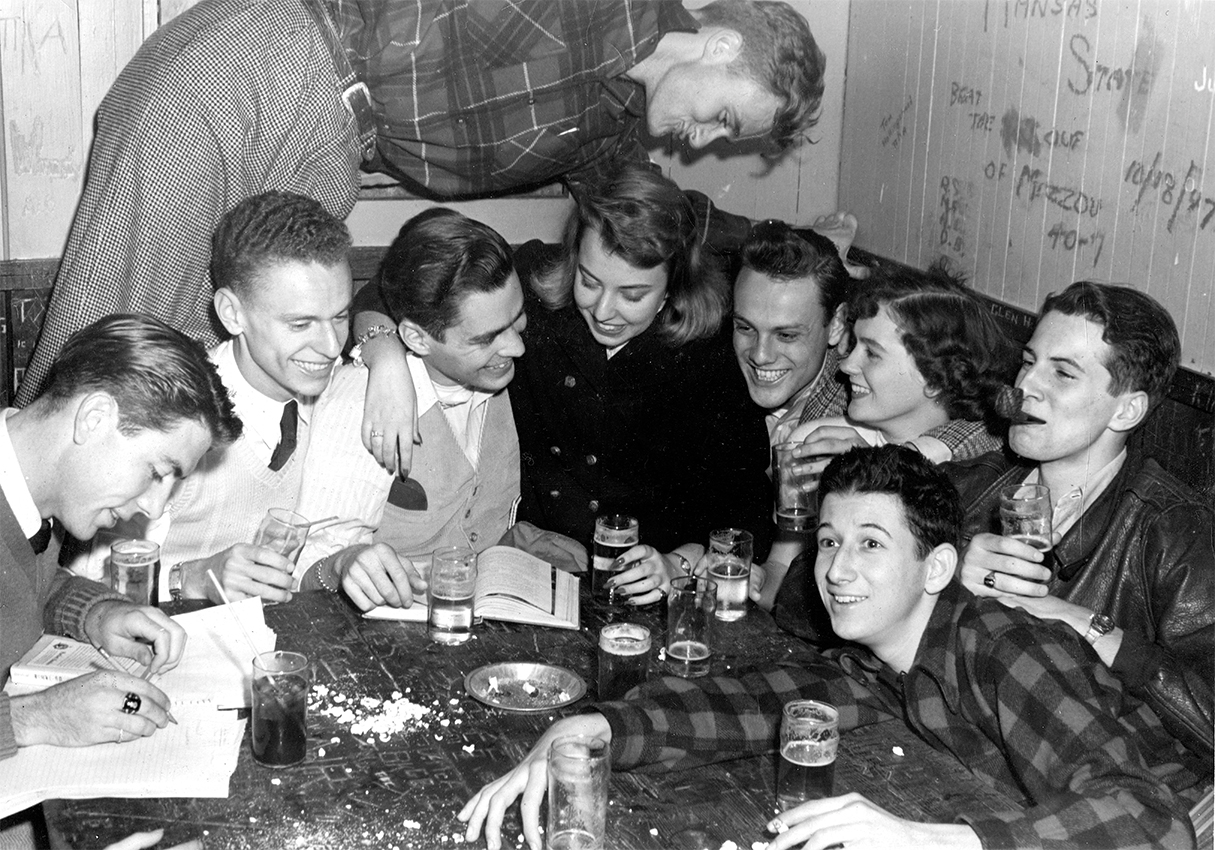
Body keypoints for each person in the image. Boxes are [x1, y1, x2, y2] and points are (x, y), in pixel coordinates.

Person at [18, 0, 828, 407]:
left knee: (199, 364)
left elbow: (661, 220)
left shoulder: (605, 128)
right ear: (721, 45)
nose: (704, 139)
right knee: (101, 343)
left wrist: (797, 245)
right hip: (274, 59)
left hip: (334, 143)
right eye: (725, 117)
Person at [459, 445, 1206, 850]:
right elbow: (757, 702)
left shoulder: (1002, 645)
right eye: (827, 542)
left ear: (937, 568)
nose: (836, 571)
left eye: (871, 544)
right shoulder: (886, 661)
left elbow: (1150, 818)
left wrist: (925, 840)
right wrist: (595, 726)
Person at [355, 162, 772, 605]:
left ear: (673, 286)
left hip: (652, 594)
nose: (604, 311)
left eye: (632, 295)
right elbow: (386, 292)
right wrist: (387, 364)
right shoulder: (534, 290)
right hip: (532, 575)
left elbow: (747, 509)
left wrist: (678, 562)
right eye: (589, 281)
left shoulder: (709, 355)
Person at [946, 281, 1214, 761]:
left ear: (1127, 409)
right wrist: (944, 575)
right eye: (1028, 362)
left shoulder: (1172, 531)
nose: (1025, 387)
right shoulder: (972, 485)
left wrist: (1091, 627)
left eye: (1063, 373)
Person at [732, 226, 1010, 610]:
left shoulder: (979, 471)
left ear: (935, 378)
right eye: (855, 347)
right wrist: (746, 581)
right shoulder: (824, 431)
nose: (846, 365)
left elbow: (990, 428)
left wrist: (881, 468)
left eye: (872, 354)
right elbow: (782, 569)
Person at [1, 314, 241, 758]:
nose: (155, 508)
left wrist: (98, 613)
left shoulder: (34, 500)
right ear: (94, 418)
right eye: (157, 472)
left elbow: (18, 592)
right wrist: (36, 716)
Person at [95, 191, 353, 605]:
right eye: (300, 324)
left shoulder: (335, 391)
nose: (331, 346)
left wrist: (386, 353)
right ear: (232, 314)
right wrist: (190, 578)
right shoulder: (173, 414)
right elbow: (85, 579)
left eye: (340, 316)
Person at [293, 209, 524, 611]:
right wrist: (344, 564)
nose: (517, 347)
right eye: (486, 339)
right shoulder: (361, 403)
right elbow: (305, 566)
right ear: (416, 339)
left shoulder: (496, 372)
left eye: (517, 321)